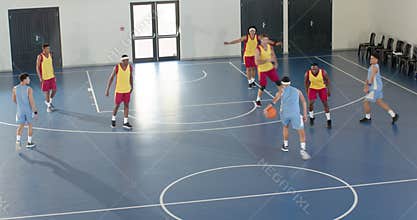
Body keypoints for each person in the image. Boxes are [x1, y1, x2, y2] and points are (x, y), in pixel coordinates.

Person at [265, 76, 311, 160]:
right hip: (295, 114)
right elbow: (304, 102)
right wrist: (305, 114)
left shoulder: (280, 92)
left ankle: (285, 145)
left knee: (285, 127)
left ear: (282, 84)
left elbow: (273, 102)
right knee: (301, 132)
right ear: (290, 83)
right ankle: (303, 149)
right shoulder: (297, 91)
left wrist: (266, 109)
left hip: (284, 114)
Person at [360, 53, 399, 124]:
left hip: (375, 89)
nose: (370, 59)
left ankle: (368, 117)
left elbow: (371, 79)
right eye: (370, 58)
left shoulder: (375, 67)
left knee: (365, 102)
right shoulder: (371, 66)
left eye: (372, 58)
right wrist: (365, 85)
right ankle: (394, 115)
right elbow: (368, 77)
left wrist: (367, 87)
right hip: (377, 88)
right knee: (380, 102)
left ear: (376, 60)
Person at [105, 55, 133, 130]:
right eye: (126, 60)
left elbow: (131, 77)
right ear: (122, 61)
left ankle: (125, 122)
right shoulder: (117, 67)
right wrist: (107, 89)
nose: (127, 61)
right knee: (117, 105)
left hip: (127, 90)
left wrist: (132, 86)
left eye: (128, 60)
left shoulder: (130, 67)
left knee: (126, 105)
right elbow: (111, 78)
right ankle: (113, 119)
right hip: (119, 91)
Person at [12, 73, 38, 151]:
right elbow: (32, 102)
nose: (29, 80)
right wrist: (35, 112)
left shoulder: (14, 88)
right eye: (28, 79)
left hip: (19, 110)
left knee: (20, 126)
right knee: (30, 125)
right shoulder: (29, 89)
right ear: (24, 80)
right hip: (28, 111)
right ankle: (29, 143)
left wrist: (20, 105)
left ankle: (18, 141)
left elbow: (13, 100)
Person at [254, 34, 281, 107]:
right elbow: (257, 62)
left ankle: (282, 94)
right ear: (261, 40)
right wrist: (267, 60)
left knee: (278, 82)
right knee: (263, 86)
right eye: (264, 40)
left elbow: (273, 55)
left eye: (267, 40)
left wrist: (275, 63)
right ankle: (258, 100)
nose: (266, 41)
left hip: (270, 68)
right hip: (262, 70)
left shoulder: (270, 47)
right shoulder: (258, 49)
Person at [304, 63, 332, 128]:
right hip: (312, 88)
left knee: (325, 104)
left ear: (318, 69)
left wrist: (328, 90)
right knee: (310, 103)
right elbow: (306, 83)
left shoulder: (323, 72)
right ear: (311, 69)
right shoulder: (307, 74)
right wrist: (307, 90)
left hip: (322, 88)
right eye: (312, 69)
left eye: (315, 69)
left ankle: (329, 120)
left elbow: (327, 81)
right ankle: (311, 117)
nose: (314, 70)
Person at [36, 43, 57, 113]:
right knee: (47, 92)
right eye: (47, 48)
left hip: (51, 76)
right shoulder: (40, 56)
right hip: (45, 78)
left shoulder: (50, 55)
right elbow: (37, 67)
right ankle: (48, 107)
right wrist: (40, 77)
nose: (49, 49)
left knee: (54, 90)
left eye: (49, 48)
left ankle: (49, 101)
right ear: (44, 49)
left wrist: (54, 75)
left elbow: (51, 65)